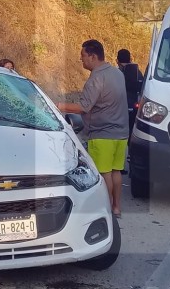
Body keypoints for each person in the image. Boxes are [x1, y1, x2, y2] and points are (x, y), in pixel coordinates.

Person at [56, 39, 129, 218]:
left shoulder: (97, 78)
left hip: (102, 133)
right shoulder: (118, 73)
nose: (81, 60)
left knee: (104, 174)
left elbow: (84, 107)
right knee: (116, 171)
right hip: (121, 133)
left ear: (93, 56)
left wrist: (58, 105)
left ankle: (106, 208)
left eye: (83, 56)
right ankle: (117, 207)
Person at [116, 49, 144, 137]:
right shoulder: (138, 73)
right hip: (135, 107)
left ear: (117, 60)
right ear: (130, 59)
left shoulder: (117, 73)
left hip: (119, 109)